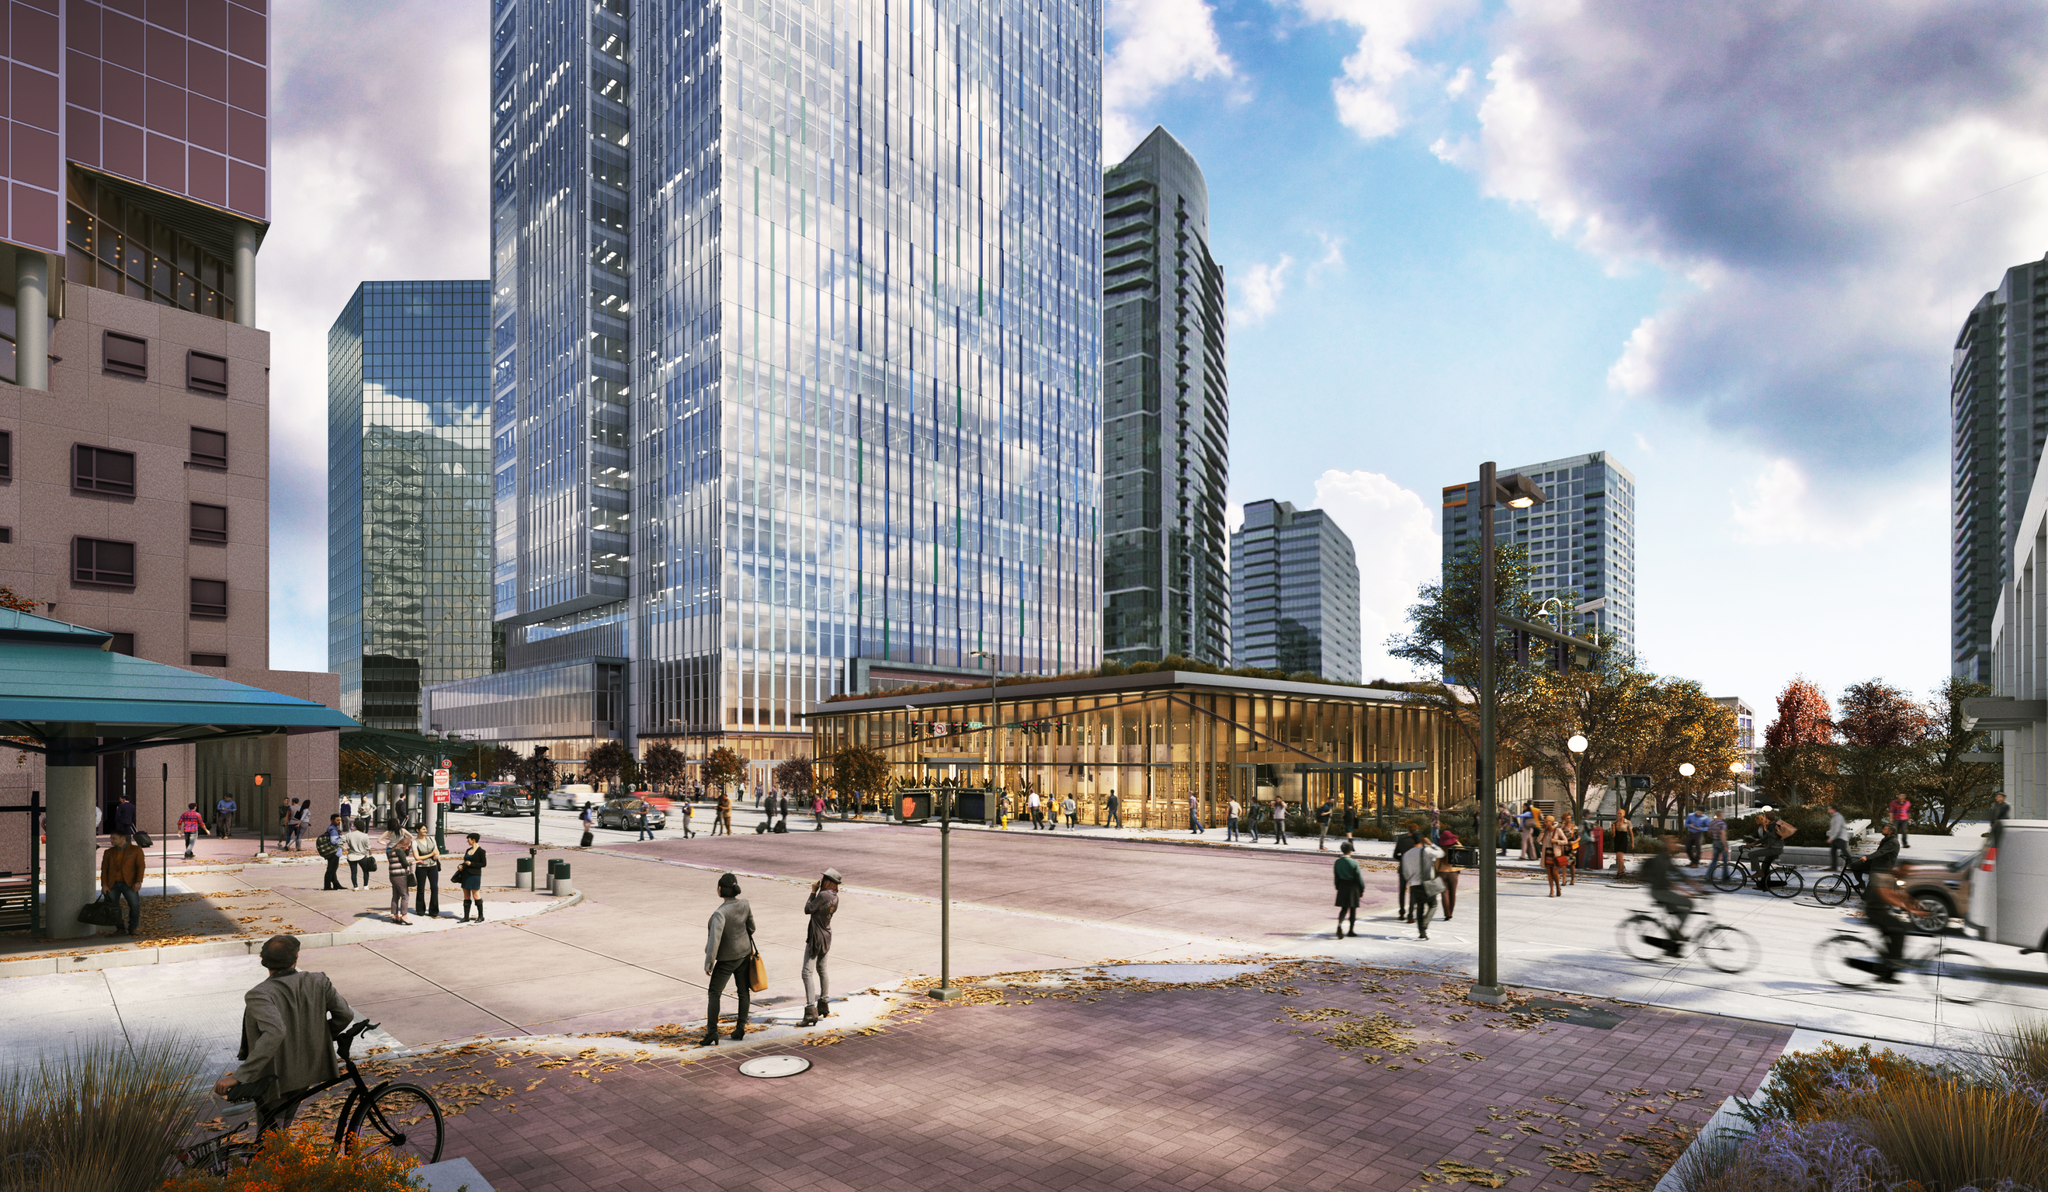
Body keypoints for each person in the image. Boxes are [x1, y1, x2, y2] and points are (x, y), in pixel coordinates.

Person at [213, 935, 355, 1131]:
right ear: (296, 958)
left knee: (270, 1137)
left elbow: (275, 1032)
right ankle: (278, 1157)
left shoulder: (260, 993)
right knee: (279, 1130)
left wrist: (240, 1076)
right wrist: (317, 1039)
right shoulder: (318, 981)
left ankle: (270, 1159)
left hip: (275, 1076)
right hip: (305, 1070)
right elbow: (345, 1015)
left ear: (263, 960)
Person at [700, 873, 756, 1045]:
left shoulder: (720, 913)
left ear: (720, 889)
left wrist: (709, 963)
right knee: (742, 991)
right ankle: (740, 1028)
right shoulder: (745, 904)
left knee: (714, 992)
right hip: (745, 954)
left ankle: (712, 1032)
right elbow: (752, 928)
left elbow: (714, 941)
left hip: (727, 959)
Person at [1854, 853, 1913, 984]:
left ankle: (1887, 972)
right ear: (1901, 868)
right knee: (1899, 929)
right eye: (1906, 870)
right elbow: (1887, 896)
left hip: (1882, 911)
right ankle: (1893, 963)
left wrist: (1918, 907)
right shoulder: (1886, 875)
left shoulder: (1898, 879)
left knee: (1894, 937)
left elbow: (1902, 896)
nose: (1907, 873)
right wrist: (1911, 909)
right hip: (1874, 911)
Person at [799, 868, 841, 1025]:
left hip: (816, 937)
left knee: (806, 972)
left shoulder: (823, 895)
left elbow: (807, 909)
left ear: (828, 881)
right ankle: (823, 1003)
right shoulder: (835, 897)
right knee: (822, 969)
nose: (821, 880)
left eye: (823, 879)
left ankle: (810, 1011)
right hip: (827, 935)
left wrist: (812, 891)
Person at [1399, 830, 1444, 939]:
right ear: (1422, 839)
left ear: (1412, 840)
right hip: (1427, 883)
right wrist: (1431, 844)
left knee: (1419, 907)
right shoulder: (1427, 851)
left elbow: (1405, 872)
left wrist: (1411, 879)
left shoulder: (1406, 855)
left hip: (1414, 884)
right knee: (1433, 904)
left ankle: (1421, 931)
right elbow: (1441, 853)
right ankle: (1424, 924)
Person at [100, 832, 144, 935]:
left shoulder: (136, 850)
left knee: (134, 905)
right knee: (114, 908)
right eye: (111, 838)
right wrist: (104, 885)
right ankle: (120, 928)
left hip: (129, 883)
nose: (111, 841)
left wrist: (138, 881)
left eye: (114, 839)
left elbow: (140, 866)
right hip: (112, 884)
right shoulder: (108, 852)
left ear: (123, 838)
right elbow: (104, 869)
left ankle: (133, 927)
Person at [379, 817, 415, 926]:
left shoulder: (388, 832)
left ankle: (395, 915)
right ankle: (404, 916)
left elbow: (379, 840)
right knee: (404, 894)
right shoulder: (402, 831)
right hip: (399, 850)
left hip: (390, 849)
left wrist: (388, 844)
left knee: (395, 894)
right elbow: (411, 836)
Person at [1849, 822, 1900, 893]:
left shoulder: (1893, 842)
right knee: (1855, 865)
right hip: (1876, 862)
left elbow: (1881, 852)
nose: (1882, 830)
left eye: (1884, 829)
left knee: (1868, 892)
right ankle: (1861, 883)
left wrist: (1867, 858)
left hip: (1883, 865)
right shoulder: (1886, 839)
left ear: (1890, 831)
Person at [1332, 841, 1364, 937]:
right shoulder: (1353, 862)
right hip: (1352, 886)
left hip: (1342, 885)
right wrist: (1362, 888)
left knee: (1344, 908)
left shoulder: (1337, 862)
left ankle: (1339, 924)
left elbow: (1336, 877)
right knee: (1353, 909)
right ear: (1350, 851)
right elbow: (1358, 877)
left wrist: (1338, 886)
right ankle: (1351, 930)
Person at [454, 833, 489, 920]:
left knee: (476, 895)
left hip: (474, 875)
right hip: (466, 874)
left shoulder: (481, 851)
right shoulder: (468, 850)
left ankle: (481, 916)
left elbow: (483, 864)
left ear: (473, 840)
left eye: (468, 839)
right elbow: (465, 861)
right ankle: (466, 917)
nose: (467, 841)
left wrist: (471, 864)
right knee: (466, 896)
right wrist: (461, 865)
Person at [1755, 811, 1791, 893]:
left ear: (1766, 818)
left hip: (1774, 849)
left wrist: (1766, 830)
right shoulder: (1772, 824)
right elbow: (1766, 838)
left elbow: (1774, 836)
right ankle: (1764, 885)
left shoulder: (1772, 825)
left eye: (1764, 817)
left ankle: (1765, 884)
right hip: (1774, 848)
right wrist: (1754, 843)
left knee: (1764, 866)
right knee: (1765, 866)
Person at [411, 829, 442, 918]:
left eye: (426, 829)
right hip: (421, 868)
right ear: (418, 830)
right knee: (421, 888)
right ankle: (420, 910)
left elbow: (436, 850)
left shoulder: (432, 839)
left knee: (435, 887)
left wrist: (437, 855)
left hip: (433, 866)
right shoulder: (415, 843)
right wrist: (431, 854)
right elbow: (417, 857)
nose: (425, 830)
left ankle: (434, 910)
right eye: (423, 829)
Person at [1436, 829, 1465, 920]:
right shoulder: (1456, 848)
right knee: (1453, 893)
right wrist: (1455, 840)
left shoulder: (1440, 850)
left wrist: (1436, 872)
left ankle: (1447, 913)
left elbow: (1436, 864)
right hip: (1454, 873)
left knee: (1444, 893)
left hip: (1442, 873)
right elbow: (1463, 850)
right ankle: (1451, 912)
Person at [1542, 815, 1572, 897]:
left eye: (1546, 822)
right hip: (1547, 854)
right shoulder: (1545, 831)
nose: (1545, 823)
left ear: (1551, 822)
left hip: (1555, 854)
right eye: (1544, 822)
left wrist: (1556, 841)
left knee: (1555, 873)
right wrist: (1542, 831)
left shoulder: (1558, 830)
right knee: (1549, 873)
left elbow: (1565, 841)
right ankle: (1551, 890)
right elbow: (1538, 840)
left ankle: (1558, 887)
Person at [1392, 826, 1416, 920]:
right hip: (1413, 869)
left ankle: (1402, 912)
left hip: (1403, 868)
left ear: (1408, 832)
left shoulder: (1401, 841)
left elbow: (1395, 855)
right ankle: (1410, 914)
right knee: (1413, 892)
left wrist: (1402, 859)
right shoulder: (1416, 843)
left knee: (1402, 891)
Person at [341, 821, 372, 889]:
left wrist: (345, 848)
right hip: (362, 856)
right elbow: (368, 847)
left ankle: (355, 886)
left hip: (351, 856)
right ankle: (365, 886)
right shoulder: (365, 836)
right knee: (365, 871)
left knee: (353, 872)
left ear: (355, 827)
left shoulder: (348, 835)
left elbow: (339, 842)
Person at [318, 815, 344, 890]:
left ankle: (336, 884)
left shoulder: (333, 828)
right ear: (332, 820)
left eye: (340, 820)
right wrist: (341, 838)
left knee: (333, 869)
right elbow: (333, 841)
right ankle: (327, 886)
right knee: (330, 870)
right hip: (334, 852)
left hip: (335, 852)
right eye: (337, 820)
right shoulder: (333, 830)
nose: (339, 822)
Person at [1706, 813, 1731, 883]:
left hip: (1715, 842)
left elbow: (1709, 833)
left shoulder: (1712, 823)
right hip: (1721, 842)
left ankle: (1708, 875)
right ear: (1720, 816)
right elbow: (1723, 835)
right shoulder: (1722, 824)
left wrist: (1714, 837)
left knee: (1714, 860)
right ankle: (1725, 877)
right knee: (1725, 861)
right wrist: (1725, 845)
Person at [1825, 804, 1850, 872]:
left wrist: (1831, 838)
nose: (1828, 810)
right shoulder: (1835, 817)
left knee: (1845, 853)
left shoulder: (1838, 817)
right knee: (1833, 852)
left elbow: (1837, 829)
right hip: (1837, 838)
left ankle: (1852, 867)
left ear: (1834, 809)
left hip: (1840, 838)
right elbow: (1833, 829)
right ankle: (1834, 867)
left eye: (1830, 808)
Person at [1612, 811, 1633, 878]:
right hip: (1617, 839)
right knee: (1618, 857)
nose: (1619, 814)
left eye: (1620, 813)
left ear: (1624, 814)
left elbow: (1631, 833)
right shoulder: (1615, 822)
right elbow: (1613, 835)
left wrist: (1632, 843)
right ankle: (1621, 871)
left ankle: (1620, 871)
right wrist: (1613, 829)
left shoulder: (1627, 822)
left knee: (1619, 856)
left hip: (1623, 839)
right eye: (1618, 813)